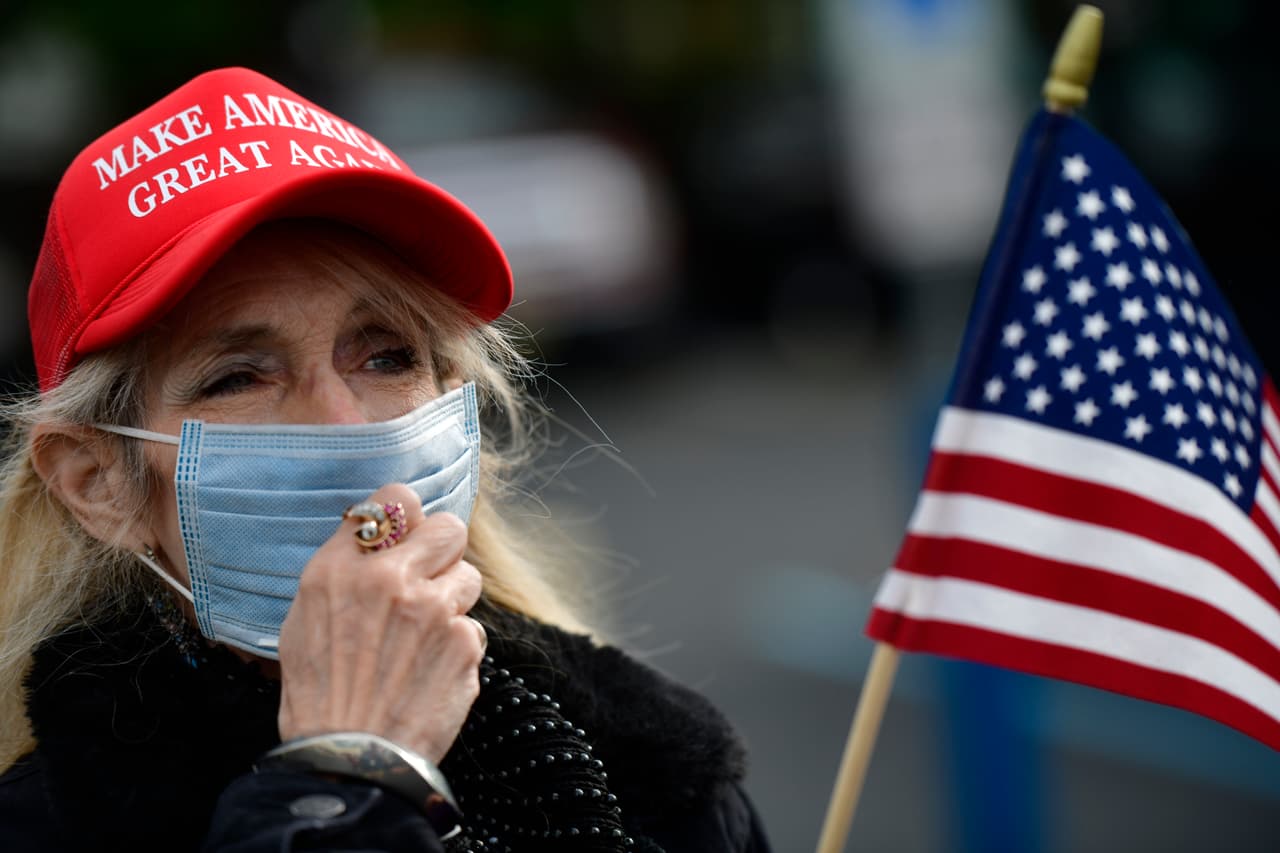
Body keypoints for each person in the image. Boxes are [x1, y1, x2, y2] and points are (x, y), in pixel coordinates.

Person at [0, 67, 770, 852]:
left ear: (453, 401)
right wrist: (348, 774)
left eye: (387, 356)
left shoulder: (662, 773)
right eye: (238, 376)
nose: (341, 422)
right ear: (98, 484)